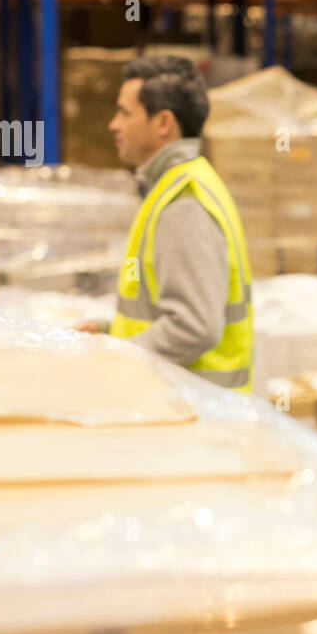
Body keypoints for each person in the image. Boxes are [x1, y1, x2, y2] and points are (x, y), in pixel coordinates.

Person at [75, 55, 254, 392]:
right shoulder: (177, 187)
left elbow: (194, 327)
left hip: (195, 415)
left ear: (162, 123)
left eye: (125, 113)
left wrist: (116, 356)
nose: (114, 124)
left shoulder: (183, 204)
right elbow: (164, 312)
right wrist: (111, 331)